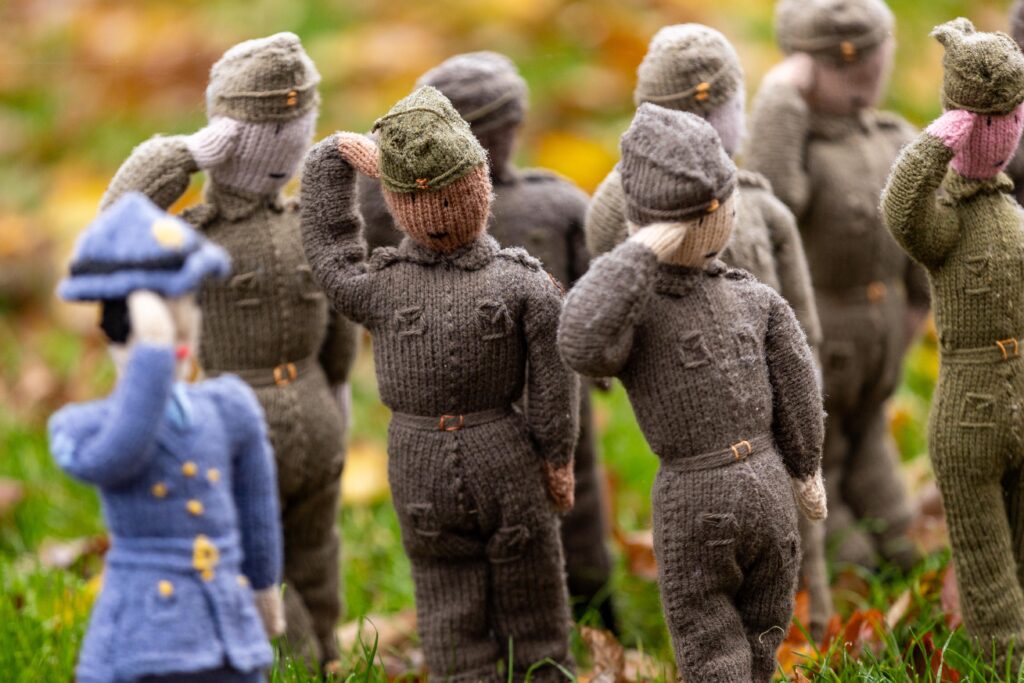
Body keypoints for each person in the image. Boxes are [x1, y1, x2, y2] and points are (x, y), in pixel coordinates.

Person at [301, 86, 578, 682]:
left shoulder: (390, 285)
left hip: (440, 458)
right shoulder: (516, 282)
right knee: (496, 585)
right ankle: (530, 669)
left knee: (482, 586)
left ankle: (508, 671)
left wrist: (331, 161)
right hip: (483, 456)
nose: (442, 215)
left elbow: (332, 256)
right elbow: (556, 382)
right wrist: (556, 457)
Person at [101, 33, 355, 667]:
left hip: (316, 410)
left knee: (317, 549)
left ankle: (326, 654)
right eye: (266, 131)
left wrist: (341, 392)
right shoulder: (187, 236)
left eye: (295, 129)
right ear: (224, 134)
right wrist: (182, 154)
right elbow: (110, 229)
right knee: (251, 554)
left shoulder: (309, 223)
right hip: (235, 427)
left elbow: (340, 319)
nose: (283, 149)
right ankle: (291, 660)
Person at [559, 105, 825, 683]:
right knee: (726, 637)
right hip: (721, 487)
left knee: (750, 629)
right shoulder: (641, 308)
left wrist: (805, 466)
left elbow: (797, 378)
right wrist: (641, 253)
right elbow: (579, 338)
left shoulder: (751, 298)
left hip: (747, 486)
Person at [48, 193, 283, 683]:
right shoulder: (83, 427)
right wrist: (149, 360)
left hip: (227, 619)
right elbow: (117, 457)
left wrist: (263, 589)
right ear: (117, 326)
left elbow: (256, 506)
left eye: (188, 312)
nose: (180, 336)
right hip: (148, 628)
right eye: (162, 319)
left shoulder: (228, 405)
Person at [746, 0, 929, 571]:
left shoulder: (894, 136)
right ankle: (843, 563)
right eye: (842, 73)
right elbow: (771, 201)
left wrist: (920, 302)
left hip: (882, 352)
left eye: (870, 69)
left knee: (872, 447)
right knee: (821, 460)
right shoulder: (800, 155)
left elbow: (920, 226)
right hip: (820, 349)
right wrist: (779, 103)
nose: (861, 86)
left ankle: (897, 539)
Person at [882, 18, 1024, 670]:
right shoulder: (944, 226)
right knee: (986, 557)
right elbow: (901, 209)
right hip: (967, 409)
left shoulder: (1015, 215)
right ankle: (1004, 658)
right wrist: (943, 136)